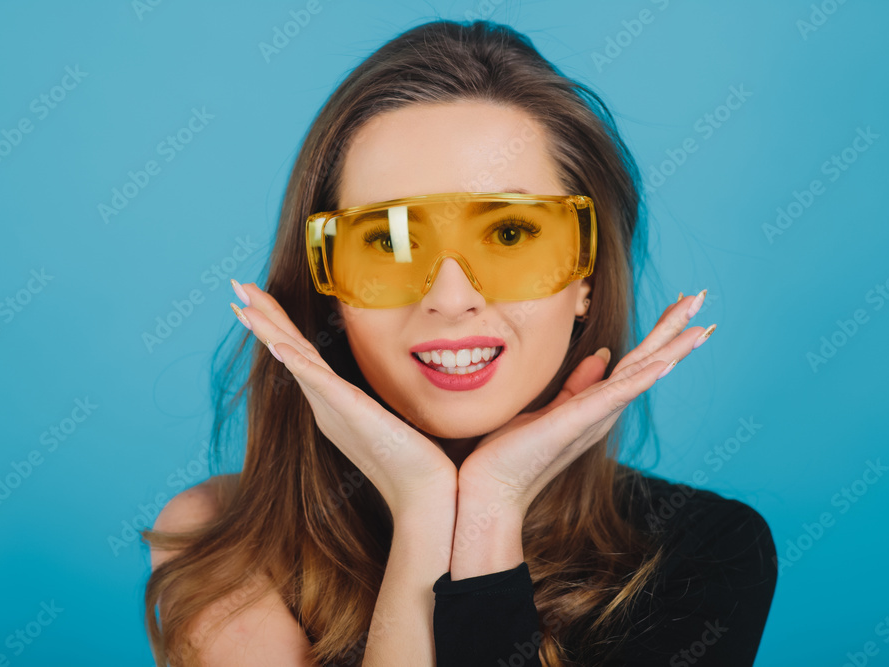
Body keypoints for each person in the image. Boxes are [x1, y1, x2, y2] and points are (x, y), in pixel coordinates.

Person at [142, 19, 777, 667]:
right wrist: (422, 510)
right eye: (389, 241)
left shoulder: (706, 549)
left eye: (508, 235)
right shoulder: (219, 535)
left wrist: (488, 509)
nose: (449, 297)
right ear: (330, 286)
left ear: (585, 274)